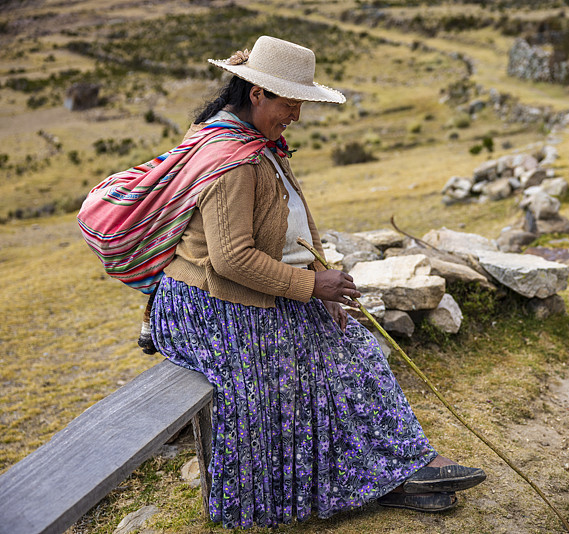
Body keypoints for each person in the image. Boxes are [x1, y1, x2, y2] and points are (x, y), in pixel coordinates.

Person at [148, 35, 485, 529]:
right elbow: (229, 259)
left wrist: (318, 284)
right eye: (290, 104)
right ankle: (371, 479)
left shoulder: (256, 144)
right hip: (206, 303)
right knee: (294, 366)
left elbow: (291, 229)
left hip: (249, 294)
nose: (297, 116)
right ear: (257, 93)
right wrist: (313, 288)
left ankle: (401, 470)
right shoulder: (232, 161)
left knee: (355, 351)